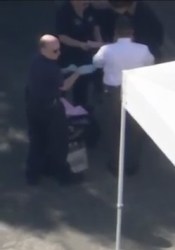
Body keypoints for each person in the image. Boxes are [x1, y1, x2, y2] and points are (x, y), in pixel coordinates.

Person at [92, 16, 154, 176]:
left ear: (115, 33)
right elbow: (150, 64)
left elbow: (96, 63)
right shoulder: (143, 49)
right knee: (134, 129)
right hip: (135, 91)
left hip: (113, 92)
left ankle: (115, 163)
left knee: (113, 129)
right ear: (132, 32)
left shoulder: (107, 49)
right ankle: (132, 164)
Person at [25, 35, 84, 186]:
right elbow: (64, 86)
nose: (58, 53)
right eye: (55, 51)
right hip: (51, 109)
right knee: (59, 142)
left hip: (33, 105)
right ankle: (62, 174)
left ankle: (33, 174)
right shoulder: (52, 68)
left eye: (59, 50)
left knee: (37, 140)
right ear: (43, 49)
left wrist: (64, 70)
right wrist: (77, 73)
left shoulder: (35, 60)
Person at [55, 0, 103, 107]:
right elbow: (62, 37)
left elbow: (95, 26)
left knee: (82, 86)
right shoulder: (64, 11)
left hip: (85, 56)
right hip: (68, 55)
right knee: (63, 86)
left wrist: (99, 41)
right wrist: (80, 44)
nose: (86, 3)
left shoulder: (89, 8)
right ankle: (60, 109)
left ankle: (80, 110)